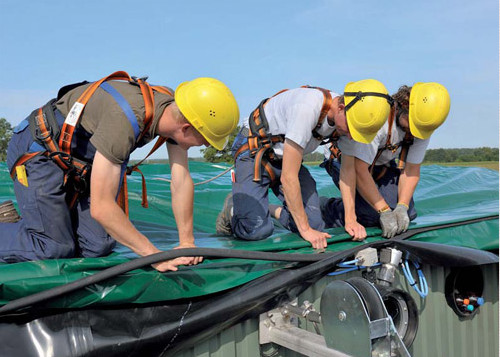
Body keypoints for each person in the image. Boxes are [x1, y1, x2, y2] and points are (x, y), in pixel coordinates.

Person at [0, 71, 239, 271]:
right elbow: (102, 208)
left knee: (97, 246)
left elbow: (181, 179)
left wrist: (187, 242)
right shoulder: (125, 119)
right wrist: (155, 256)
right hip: (38, 151)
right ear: (186, 127)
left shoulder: (174, 110)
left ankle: (39, 222)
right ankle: (17, 228)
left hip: (77, 160)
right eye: (206, 139)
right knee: (54, 248)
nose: (207, 146)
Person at [215, 79, 392, 249]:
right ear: (341, 108)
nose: (353, 136)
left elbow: (347, 172)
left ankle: (266, 209)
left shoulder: (349, 121)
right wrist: (305, 230)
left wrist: (351, 219)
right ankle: (232, 210)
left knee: (316, 224)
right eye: (353, 129)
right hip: (254, 152)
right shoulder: (307, 107)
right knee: (256, 230)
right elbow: (289, 177)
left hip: (284, 157)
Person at [320, 82, 451, 239]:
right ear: (403, 105)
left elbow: (411, 171)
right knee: (372, 216)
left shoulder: (421, 126)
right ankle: (327, 208)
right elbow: (359, 170)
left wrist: (402, 207)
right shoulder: (379, 120)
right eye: (413, 124)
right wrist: (383, 210)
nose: (415, 131)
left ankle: (364, 206)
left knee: (408, 214)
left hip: (381, 165)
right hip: (346, 162)